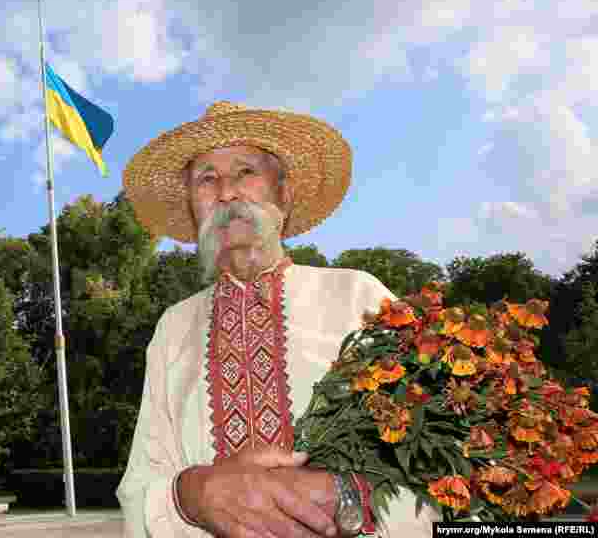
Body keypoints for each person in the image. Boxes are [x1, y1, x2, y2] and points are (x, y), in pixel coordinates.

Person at [117, 102, 437, 537]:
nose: (226, 192)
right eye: (206, 178)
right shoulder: (173, 327)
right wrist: (195, 494)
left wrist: (344, 502)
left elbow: (445, 455)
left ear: (283, 193)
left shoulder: (360, 297)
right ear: (194, 208)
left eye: (245, 171)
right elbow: (140, 486)